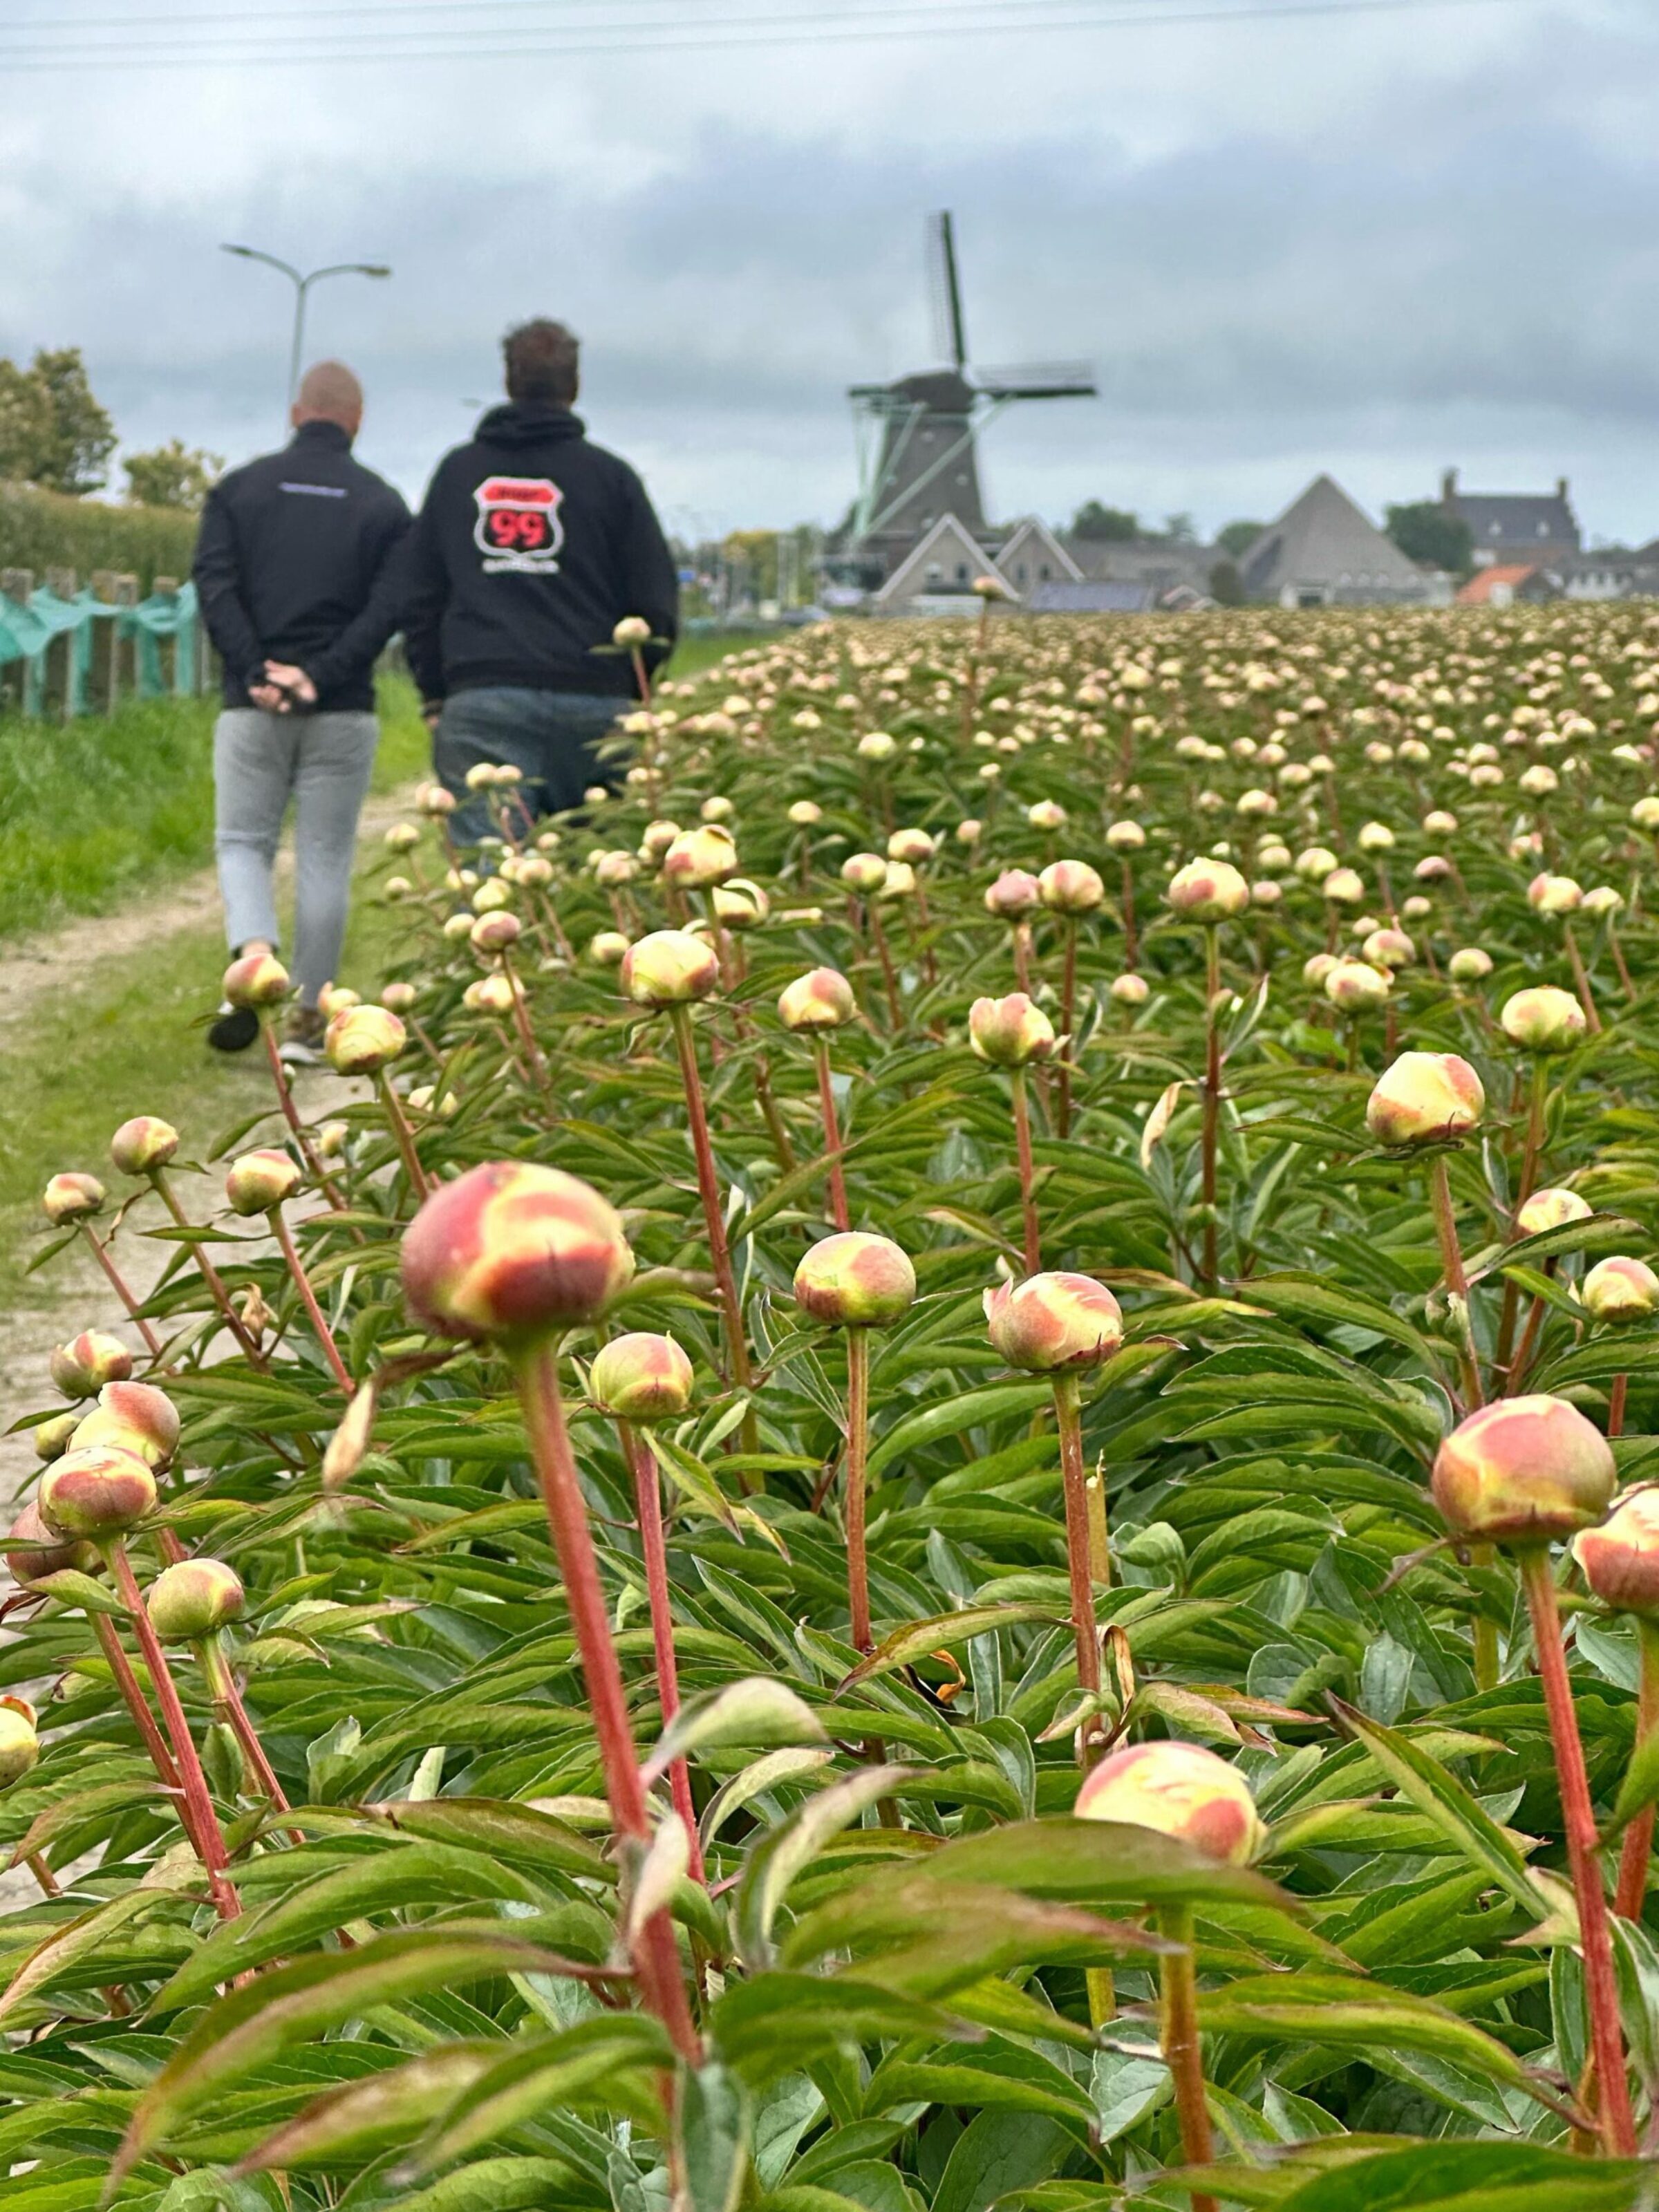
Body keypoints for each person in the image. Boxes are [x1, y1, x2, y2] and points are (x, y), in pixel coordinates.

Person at [192, 360, 411, 1063]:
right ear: (357, 420)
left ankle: (254, 958)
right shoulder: (382, 504)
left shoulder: (238, 491)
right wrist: (318, 675)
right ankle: (311, 1021)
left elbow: (215, 585)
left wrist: (257, 670)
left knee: (242, 842)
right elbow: (388, 608)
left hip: (251, 708)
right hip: (342, 708)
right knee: (325, 856)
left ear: (296, 414)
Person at [400, 318, 678, 841]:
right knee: (603, 879)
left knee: (494, 887)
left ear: (508, 380)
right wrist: (630, 687)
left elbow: (417, 595)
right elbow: (656, 602)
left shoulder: (459, 474)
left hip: (485, 701)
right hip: (597, 709)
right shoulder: (611, 478)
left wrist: (436, 695)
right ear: (575, 385)